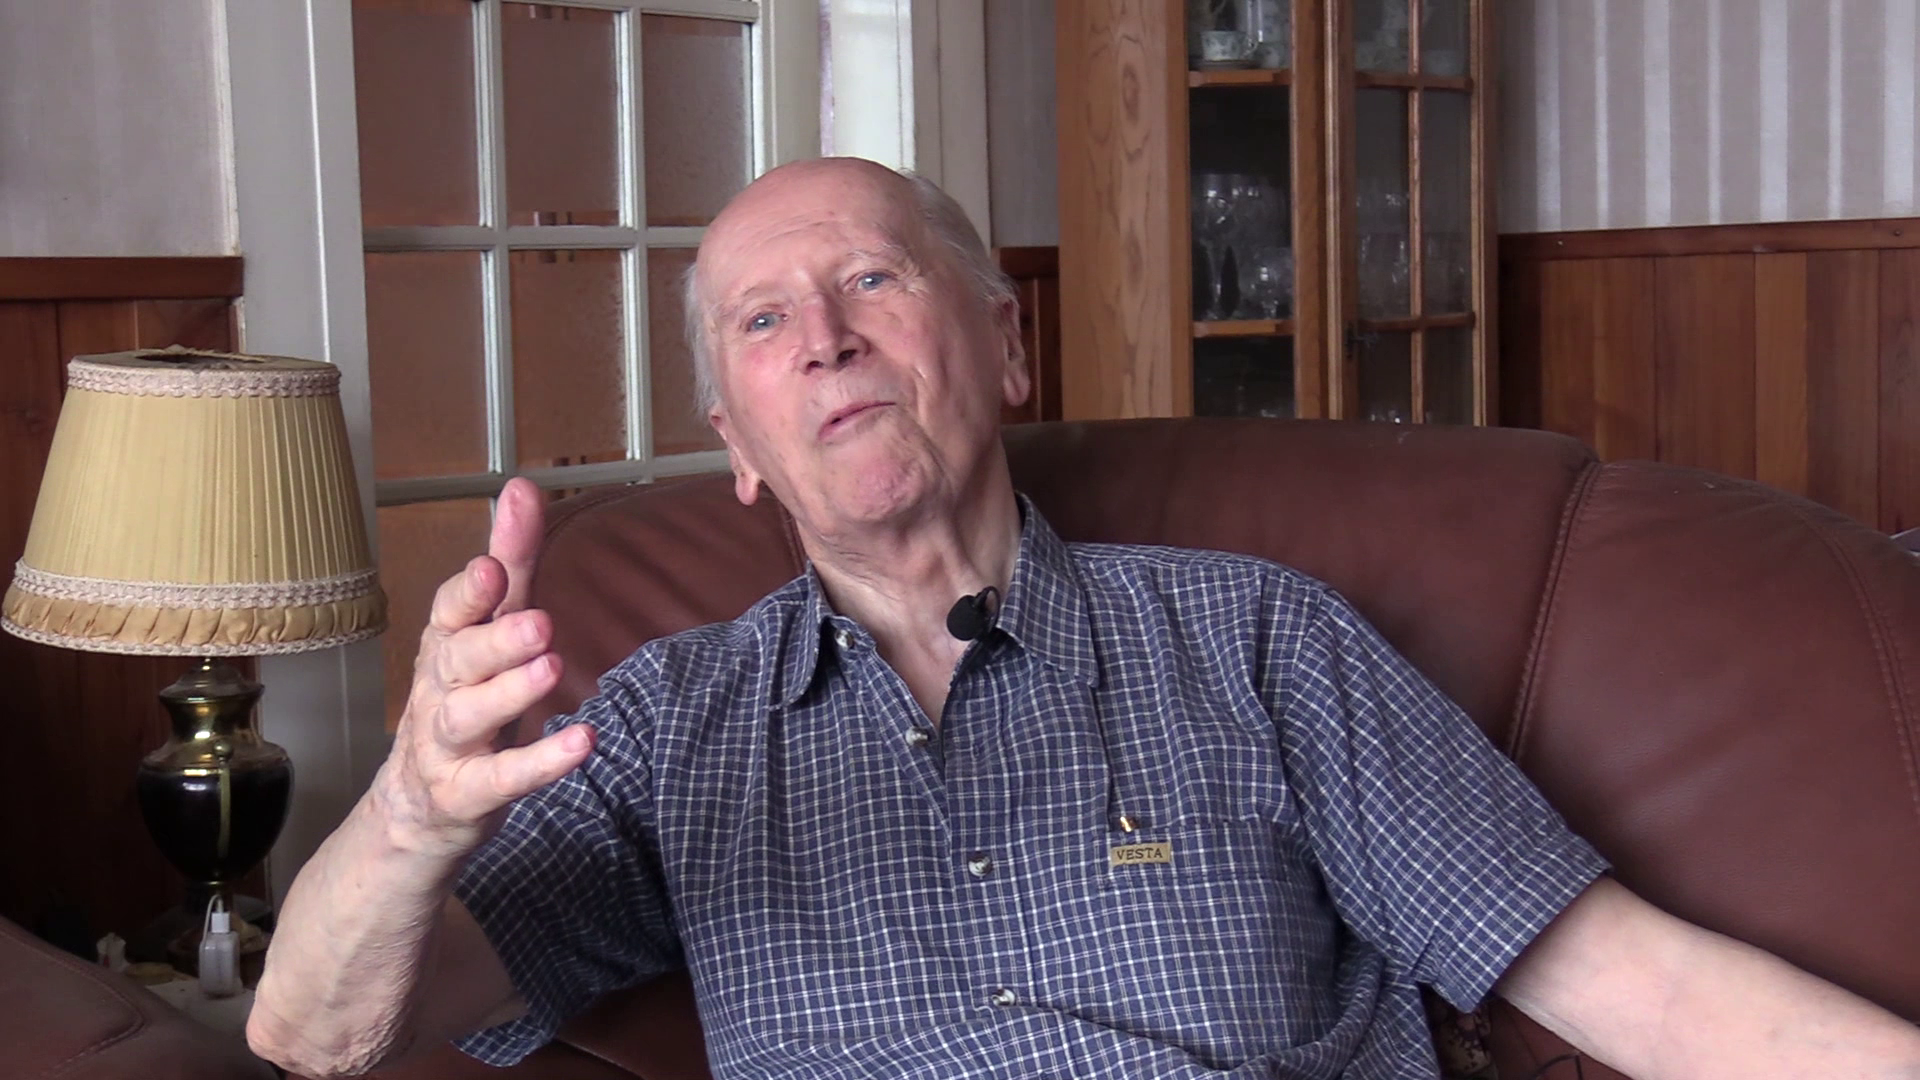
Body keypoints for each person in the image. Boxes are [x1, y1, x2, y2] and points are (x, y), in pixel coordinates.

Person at [246, 158, 1920, 1079]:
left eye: (873, 279)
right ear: (738, 448)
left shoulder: (1257, 642)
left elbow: (1633, 985)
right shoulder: (669, 726)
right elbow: (312, 1033)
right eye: (763, 321)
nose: (824, 337)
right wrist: (408, 819)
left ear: (1006, 348)